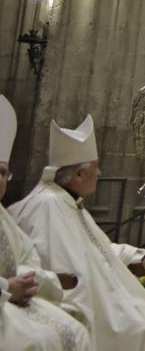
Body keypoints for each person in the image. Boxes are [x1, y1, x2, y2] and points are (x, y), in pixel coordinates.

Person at [10, 113, 145, 350]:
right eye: (95, 166)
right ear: (79, 174)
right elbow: (67, 270)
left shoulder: (67, 201)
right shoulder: (47, 206)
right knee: (137, 324)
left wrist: (137, 255)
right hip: (72, 299)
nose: (100, 173)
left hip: (90, 294)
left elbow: (94, 247)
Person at [0, 95, 94, 351]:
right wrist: (7, 286)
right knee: (38, 341)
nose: (0, 180)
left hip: (15, 300)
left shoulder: (3, 216)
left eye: (2, 172)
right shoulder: (48, 203)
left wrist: (24, 282)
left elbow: (27, 256)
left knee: (76, 328)